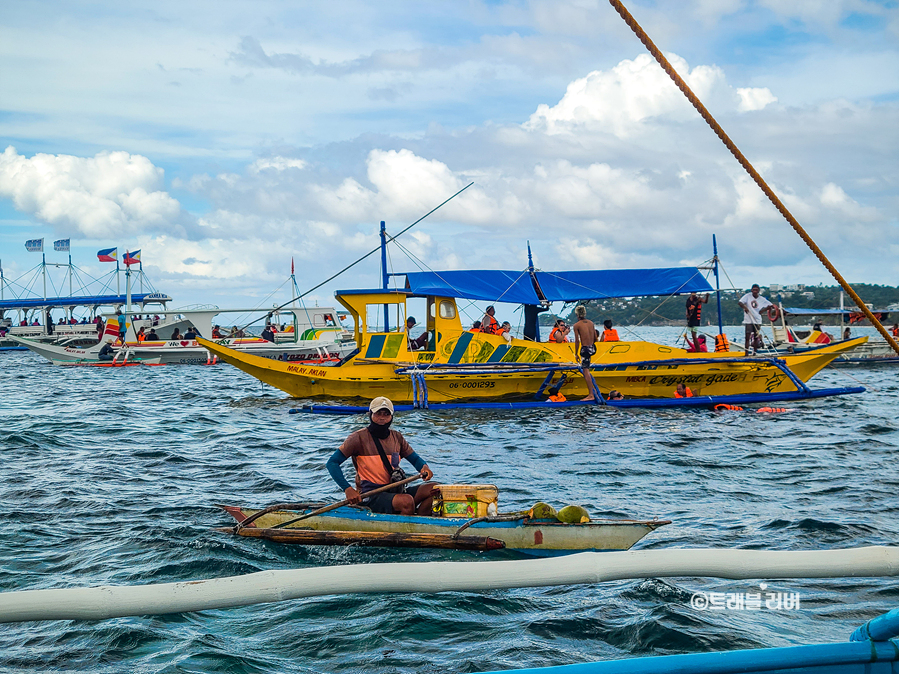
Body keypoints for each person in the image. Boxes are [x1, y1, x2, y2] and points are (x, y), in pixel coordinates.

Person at [326, 397, 437, 516]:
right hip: (370, 495)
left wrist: (424, 467)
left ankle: (422, 521)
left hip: (395, 490)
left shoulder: (397, 437)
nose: (382, 418)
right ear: (370, 414)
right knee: (406, 502)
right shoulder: (357, 438)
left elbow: (415, 459)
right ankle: (402, 531)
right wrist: (347, 489)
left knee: (436, 490)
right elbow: (332, 463)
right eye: (378, 413)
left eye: (386, 414)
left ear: (391, 416)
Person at [572, 305, 599, 401]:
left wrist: (576, 353)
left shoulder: (577, 325)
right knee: (587, 368)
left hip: (585, 349)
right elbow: (596, 338)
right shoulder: (591, 323)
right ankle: (593, 391)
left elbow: (577, 341)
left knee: (585, 370)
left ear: (577, 314)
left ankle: (591, 394)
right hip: (592, 348)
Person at [738, 284, 773, 354]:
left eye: (756, 290)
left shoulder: (762, 299)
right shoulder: (747, 296)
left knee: (756, 337)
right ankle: (746, 353)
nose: (755, 291)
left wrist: (765, 309)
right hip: (749, 320)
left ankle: (754, 352)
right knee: (747, 337)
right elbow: (740, 302)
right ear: (751, 290)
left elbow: (770, 306)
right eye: (753, 290)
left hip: (757, 320)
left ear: (759, 291)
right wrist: (745, 307)